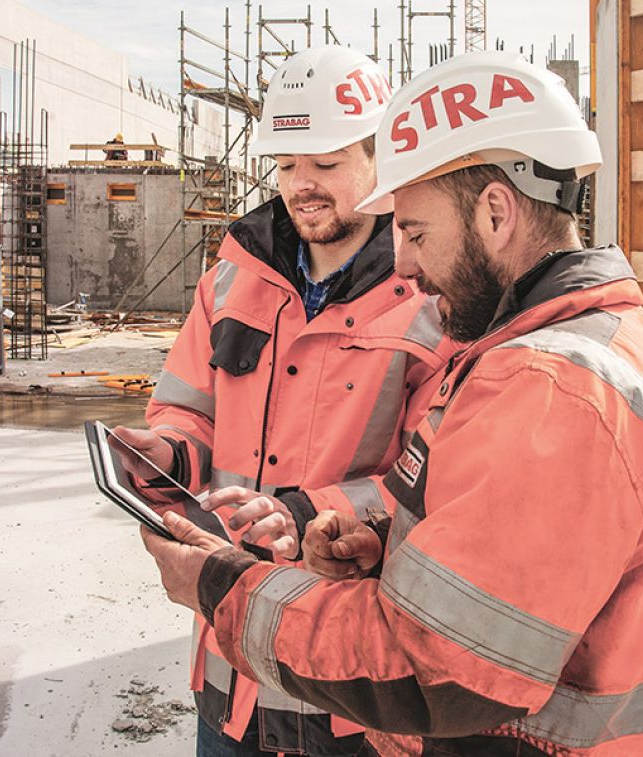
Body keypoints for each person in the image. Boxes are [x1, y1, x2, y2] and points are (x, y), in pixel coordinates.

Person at [142, 51, 643, 755]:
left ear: (495, 212)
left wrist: (222, 585)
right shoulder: (526, 348)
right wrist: (385, 549)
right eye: (287, 165)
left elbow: (434, 662)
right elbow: (493, 551)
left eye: (414, 232)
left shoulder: (556, 387)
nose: (404, 263)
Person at [114, 45, 452, 756]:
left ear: (378, 157)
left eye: (325, 164)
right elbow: (189, 409)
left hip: (351, 681)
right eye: (287, 164)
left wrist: (308, 513)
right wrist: (168, 451)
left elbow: (441, 483)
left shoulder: (431, 297)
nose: (303, 184)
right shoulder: (234, 277)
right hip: (230, 666)